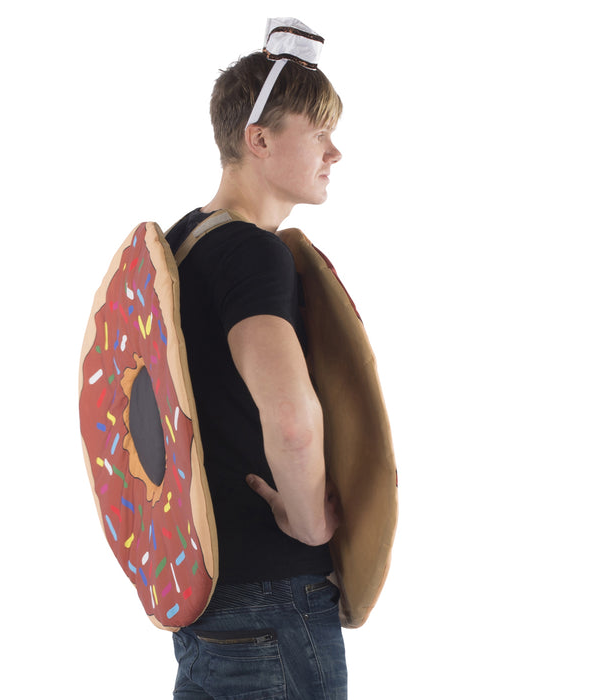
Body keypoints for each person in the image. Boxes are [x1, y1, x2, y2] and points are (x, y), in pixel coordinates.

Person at [166, 19, 347, 699]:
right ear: (259, 139)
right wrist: (309, 520)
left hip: (204, 594)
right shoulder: (252, 253)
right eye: (319, 132)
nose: (335, 152)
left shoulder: (183, 242)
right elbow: (291, 418)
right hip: (276, 600)